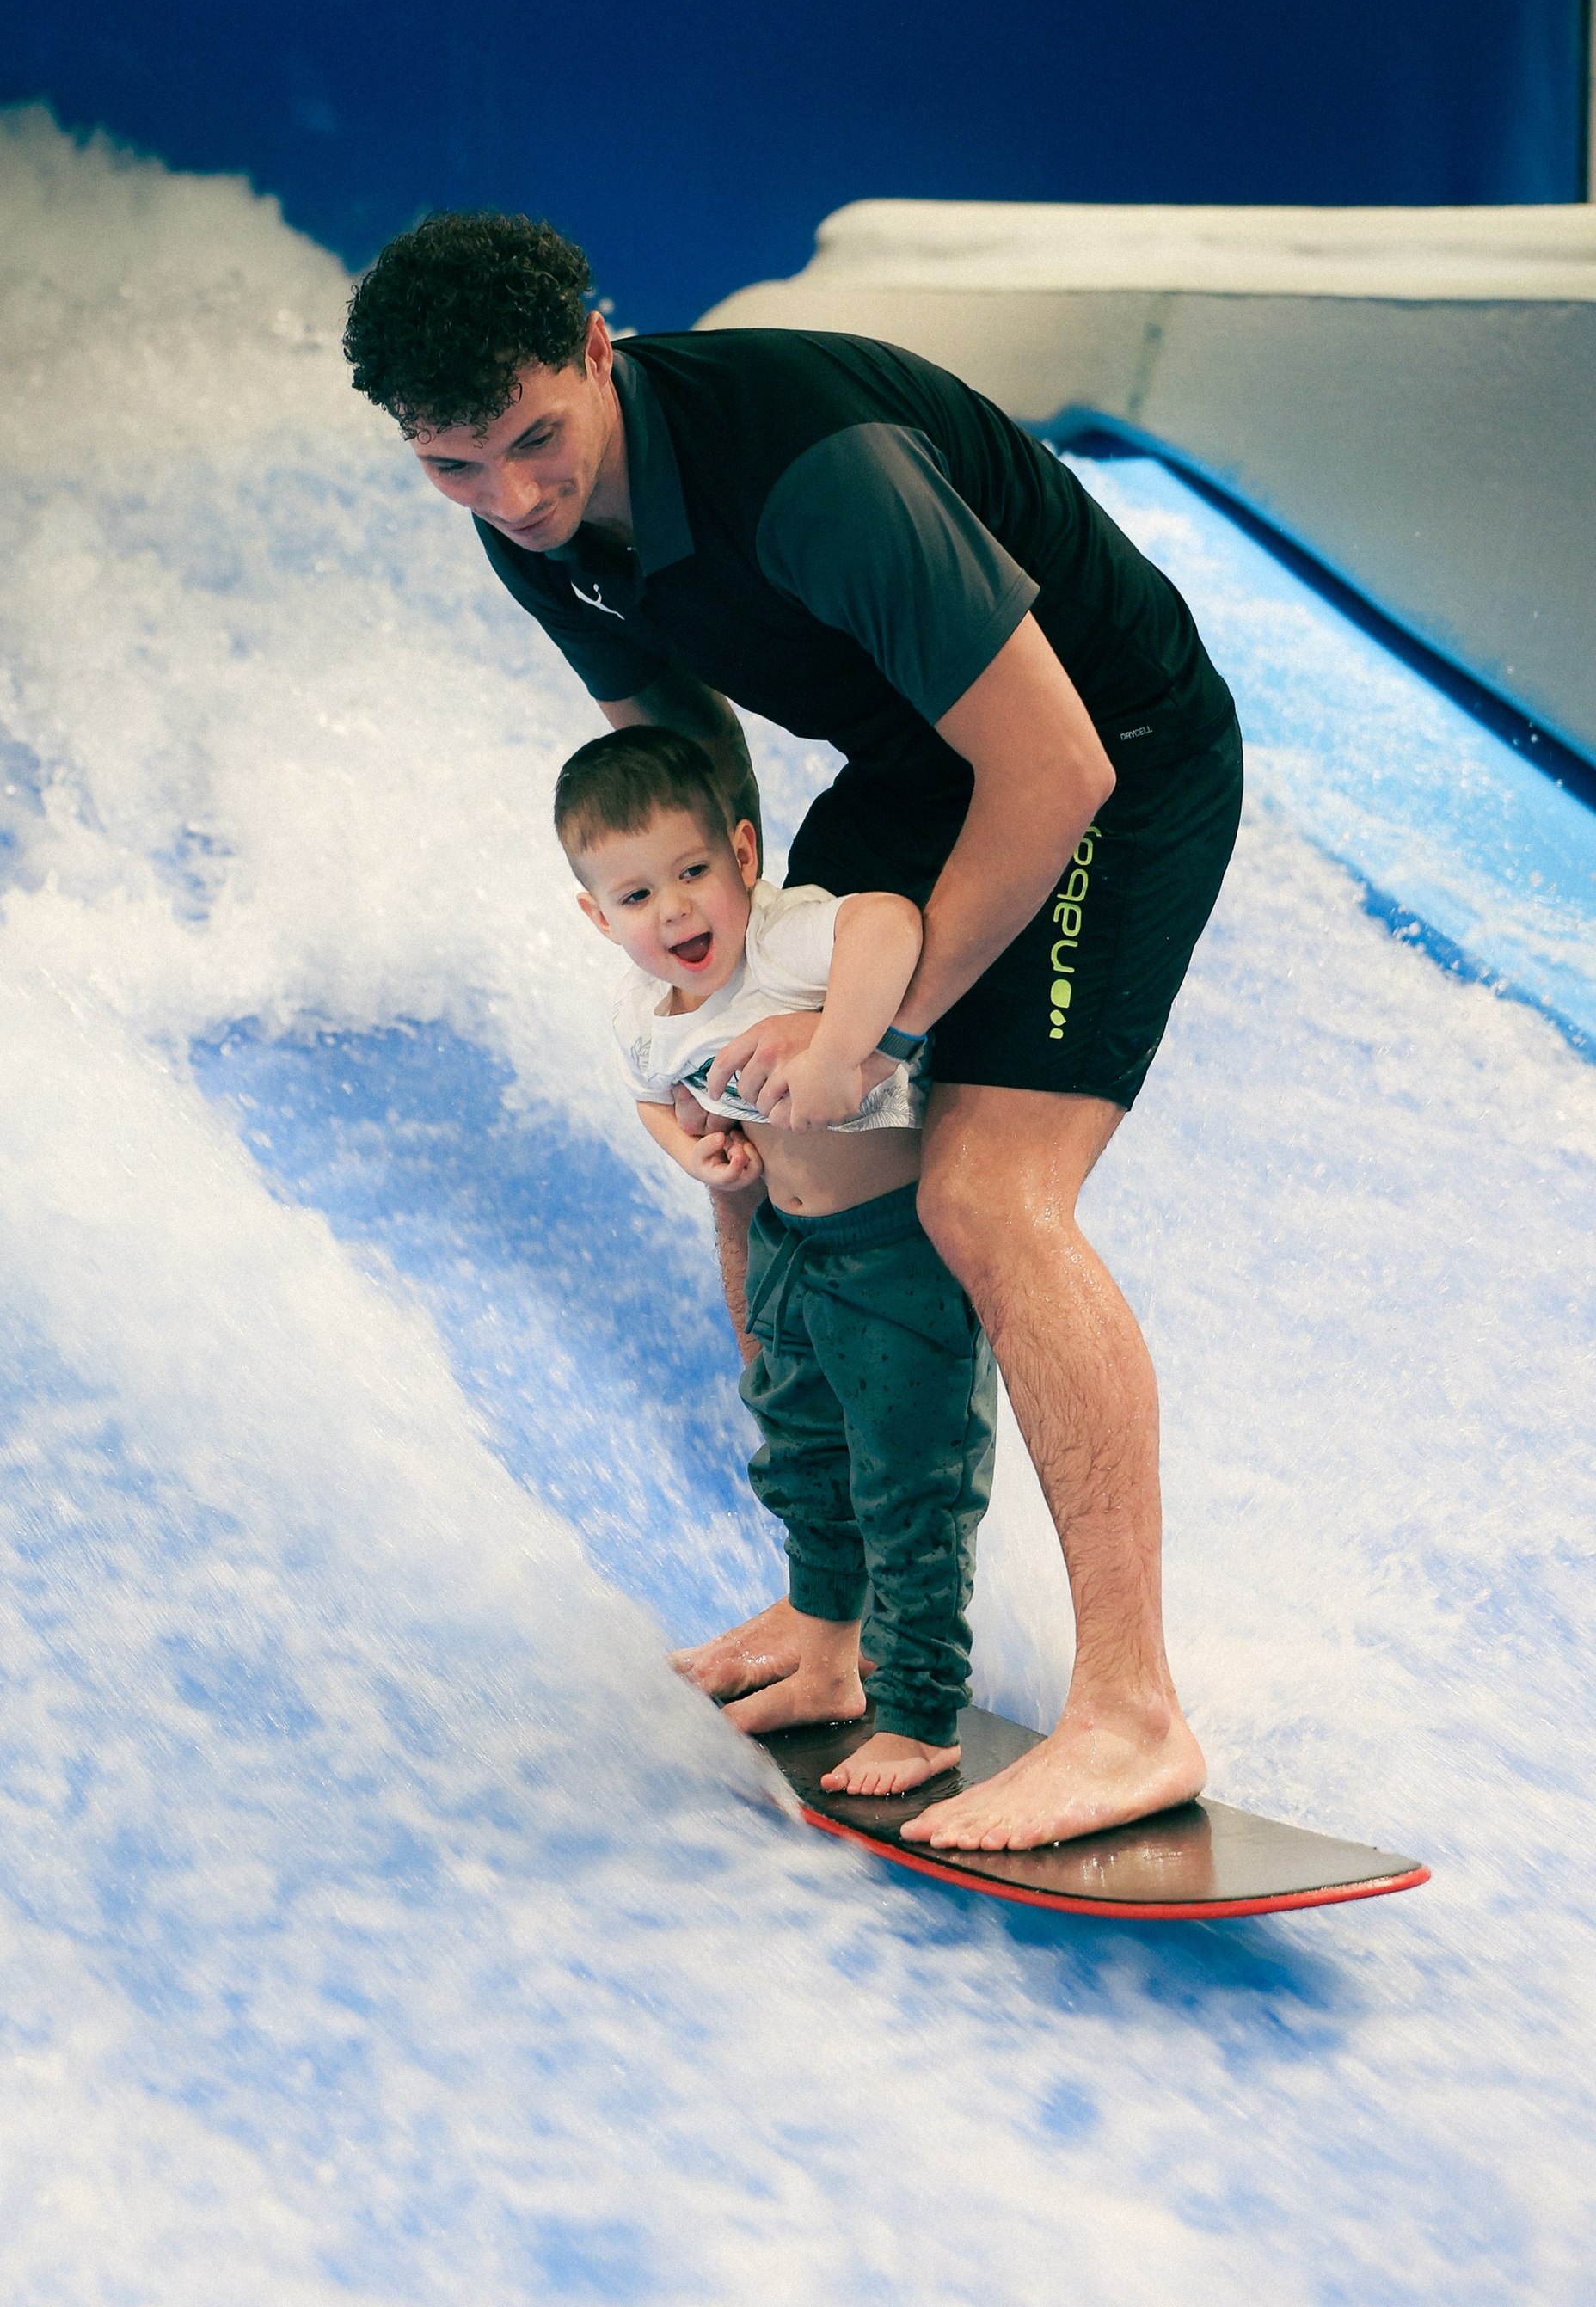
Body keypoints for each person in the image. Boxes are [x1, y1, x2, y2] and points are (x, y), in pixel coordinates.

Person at [342, 212, 1243, 1854]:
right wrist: (714, 1024)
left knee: (984, 1197)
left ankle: (1133, 1713)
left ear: (602, 347)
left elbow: (1056, 773)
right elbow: (680, 771)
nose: (520, 500)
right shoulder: (515, 506)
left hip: (1113, 751)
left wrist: (873, 1022)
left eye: (539, 439)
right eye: (458, 469)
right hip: (918, 771)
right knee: (766, 1159)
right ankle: (837, 1614)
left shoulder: (816, 471)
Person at [559, 722, 996, 1798]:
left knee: (910, 1486)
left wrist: (844, 1046)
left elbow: (890, 926)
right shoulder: (642, 999)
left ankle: (922, 1713)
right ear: (595, 914)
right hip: (789, 1253)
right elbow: (653, 1089)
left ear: (744, 858)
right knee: (804, 1460)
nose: (672, 912)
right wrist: (695, 1150)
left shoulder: (787, 939)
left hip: (892, 1255)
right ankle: (827, 1664)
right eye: (633, 897)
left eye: (694, 873)